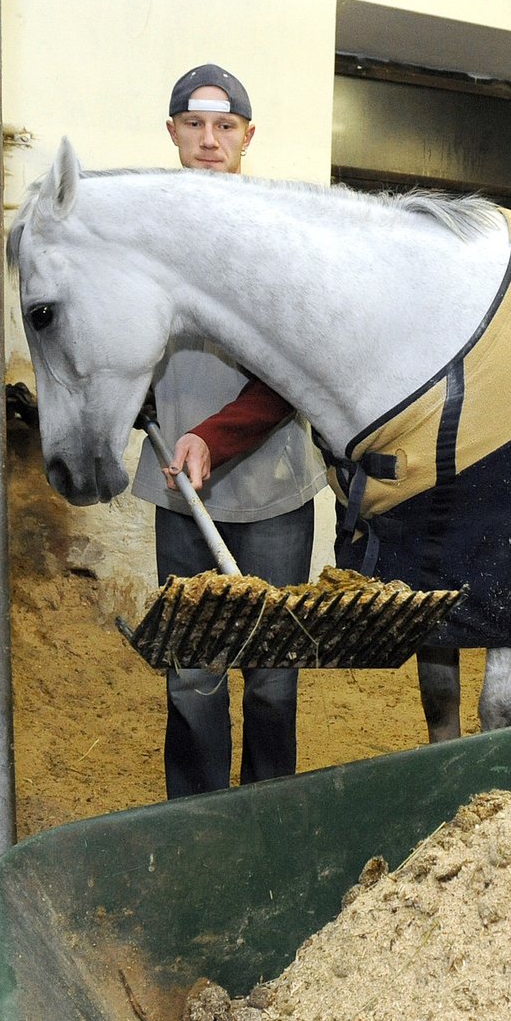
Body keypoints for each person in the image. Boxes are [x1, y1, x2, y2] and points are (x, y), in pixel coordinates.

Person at [131, 63, 327, 796]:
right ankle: (196, 819)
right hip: (181, 488)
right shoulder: (145, 238)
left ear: (248, 136)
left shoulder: (276, 238)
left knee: (273, 672)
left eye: (225, 126)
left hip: (273, 488)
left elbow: (291, 370)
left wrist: (214, 434)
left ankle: (268, 812)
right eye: (194, 123)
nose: (209, 139)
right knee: (191, 672)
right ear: (173, 132)